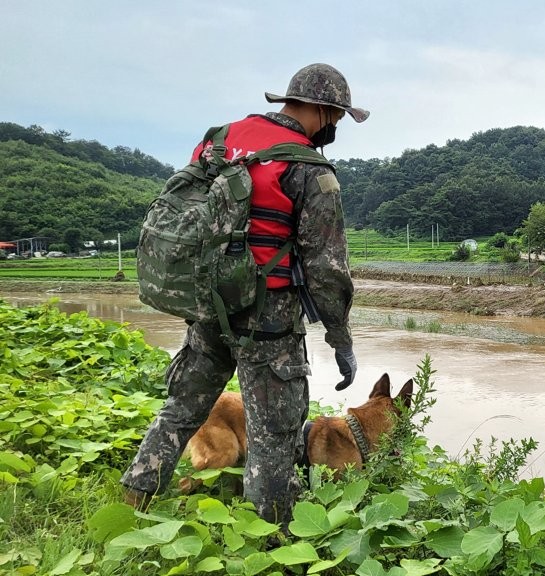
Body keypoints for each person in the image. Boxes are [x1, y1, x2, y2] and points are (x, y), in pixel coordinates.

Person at [121, 64, 368, 528]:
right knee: (274, 435)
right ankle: (270, 534)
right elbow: (327, 270)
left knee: (180, 411)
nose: (334, 126)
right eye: (335, 117)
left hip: (208, 308)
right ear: (323, 109)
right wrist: (341, 339)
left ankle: (132, 501)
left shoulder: (217, 141)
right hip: (266, 316)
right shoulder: (312, 171)